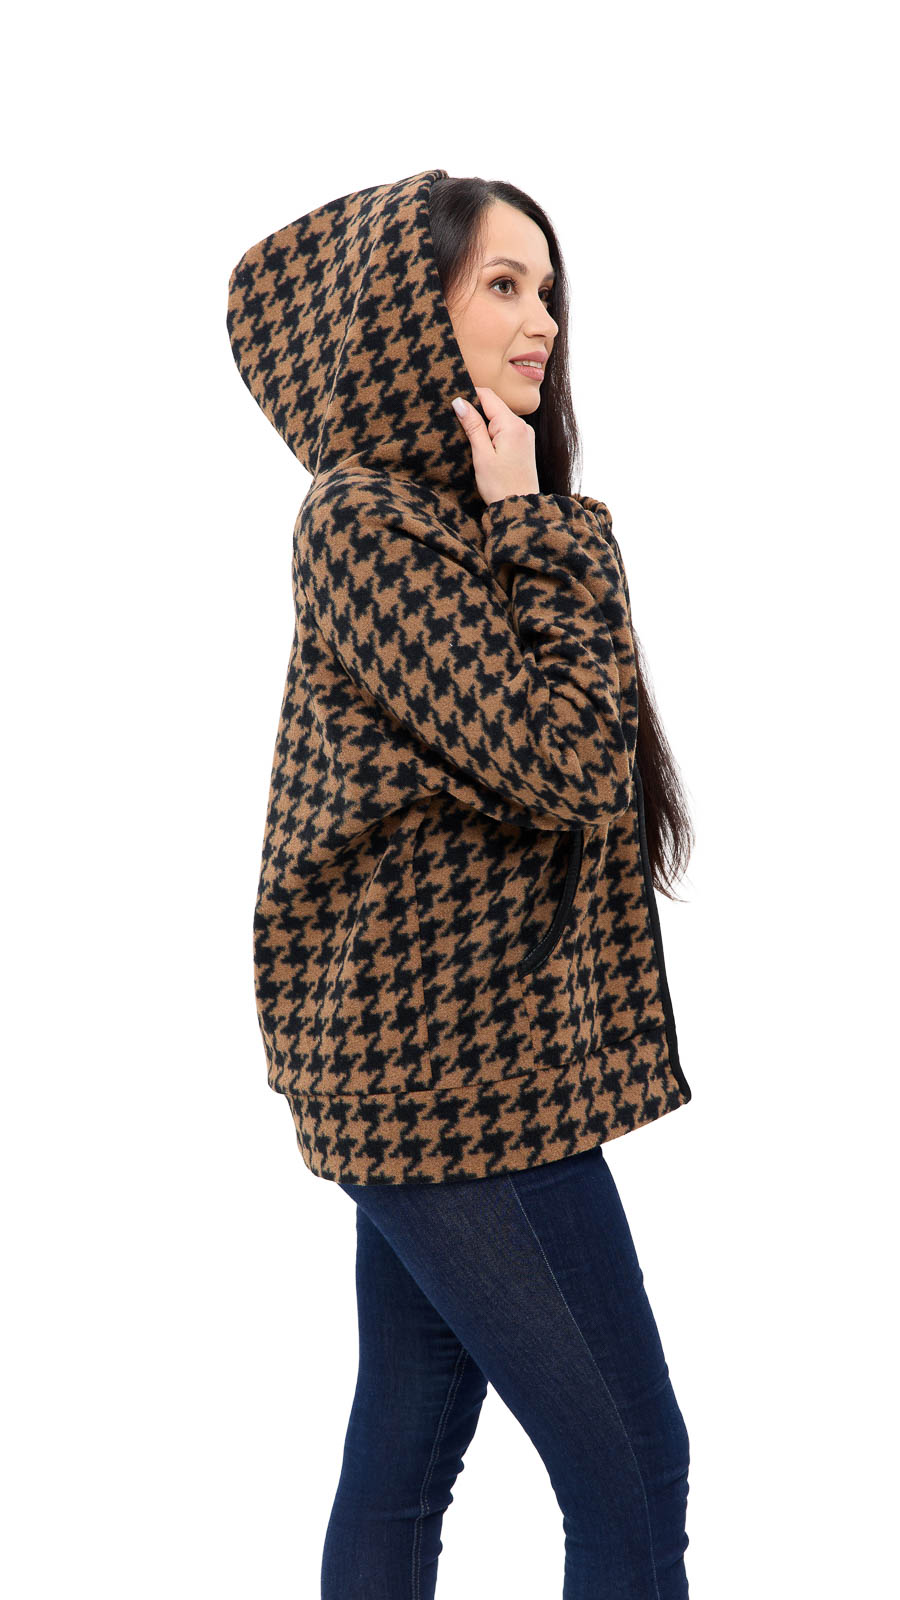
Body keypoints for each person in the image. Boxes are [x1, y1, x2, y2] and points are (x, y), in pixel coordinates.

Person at [227, 169, 696, 1599]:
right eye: (502, 283)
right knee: (634, 1472)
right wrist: (537, 521)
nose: (540, 318)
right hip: (451, 1077)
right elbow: (569, 763)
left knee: (405, 1453)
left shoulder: (457, 517)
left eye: (548, 289)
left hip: (448, 1067)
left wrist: (520, 516)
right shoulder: (369, 522)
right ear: (409, 311)